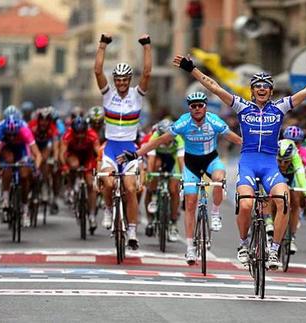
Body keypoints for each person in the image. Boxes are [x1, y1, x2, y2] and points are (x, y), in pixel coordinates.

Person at [172, 53, 306, 269]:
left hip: (270, 165)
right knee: (247, 204)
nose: (261, 89)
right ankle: (242, 244)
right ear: (252, 90)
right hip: (248, 163)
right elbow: (214, 87)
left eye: (265, 86)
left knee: (283, 199)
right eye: (257, 86)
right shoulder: (242, 107)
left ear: (270, 91)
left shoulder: (280, 108)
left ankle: (274, 250)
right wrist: (192, 69)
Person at [118, 91, 242, 264]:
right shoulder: (183, 122)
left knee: (219, 179)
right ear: (189, 108)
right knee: (190, 204)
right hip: (191, 164)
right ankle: (190, 248)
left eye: (200, 105)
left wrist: (257, 148)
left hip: (211, 160)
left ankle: (214, 214)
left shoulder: (214, 121)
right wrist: (136, 154)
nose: (197, 108)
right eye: (193, 106)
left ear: (205, 106)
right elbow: (159, 141)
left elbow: (236, 139)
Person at [94, 32, 152, 250]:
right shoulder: (108, 95)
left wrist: (146, 45)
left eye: (124, 80)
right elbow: (98, 70)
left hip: (128, 149)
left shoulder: (137, 95)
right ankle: (108, 210)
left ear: (129, 80)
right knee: (108, 182)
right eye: (117, 80)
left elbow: (147, 72)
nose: (120, 83)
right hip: (110, 148)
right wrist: (102, 45)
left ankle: (133, 232)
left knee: (130, 187)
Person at [0, 116, 42, 227]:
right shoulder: (0, 130)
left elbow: (38, 154)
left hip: (21, 151)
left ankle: (25, 210)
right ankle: (5, 197)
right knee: (8, 163)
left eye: (14, 134)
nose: (11, 137)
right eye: (8, 134)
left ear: (18, 131)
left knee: (24, 176)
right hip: (7, 149)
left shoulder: (25, 131)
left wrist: (36, 169)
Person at [144, 118, 185, 242]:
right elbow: (151, 160)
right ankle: (151, 218)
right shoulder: (154, 137)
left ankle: (173, 223)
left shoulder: (178, 139)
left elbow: (181, 161)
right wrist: (150, 175)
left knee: (174, 190)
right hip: (158, 158)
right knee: (153, 175)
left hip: (172, 161)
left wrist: (183, 176)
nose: (166, 140)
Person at [59, 116, 100, 232]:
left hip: (88, 157)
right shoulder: (67, 135)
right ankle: (71, 188)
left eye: (82, 133)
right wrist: (64, 166)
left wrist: (101, 164)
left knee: (91, 184)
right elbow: (62, 153)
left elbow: (98, 151)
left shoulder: (92, 135)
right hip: (73, 156)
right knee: (73, 165)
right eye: (77, 133)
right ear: (73, 131)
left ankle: (92, 215)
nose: (80, 136)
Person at [276, 139, 306, 254]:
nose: (283, 164)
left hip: (291, 179)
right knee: (270, 196)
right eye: (280, 161)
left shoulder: (295, 157)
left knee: (295, 202)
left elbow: (301, 176)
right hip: (275, 177)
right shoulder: (272, 157)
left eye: (286, 161)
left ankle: (292, 237)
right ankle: (269, 222)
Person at [28, 107, 60, 214]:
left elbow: (55, 146)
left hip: (46, 146)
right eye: (42, 119)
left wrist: (55, 159)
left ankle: (45, 185)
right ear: (38, 119)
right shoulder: (32, 126)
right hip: (34, 145)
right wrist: (29, 156)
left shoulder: (53, 128)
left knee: (45, 160)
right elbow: (27, 143)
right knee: (34, 161)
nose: (44, 122)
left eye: (47, 120)